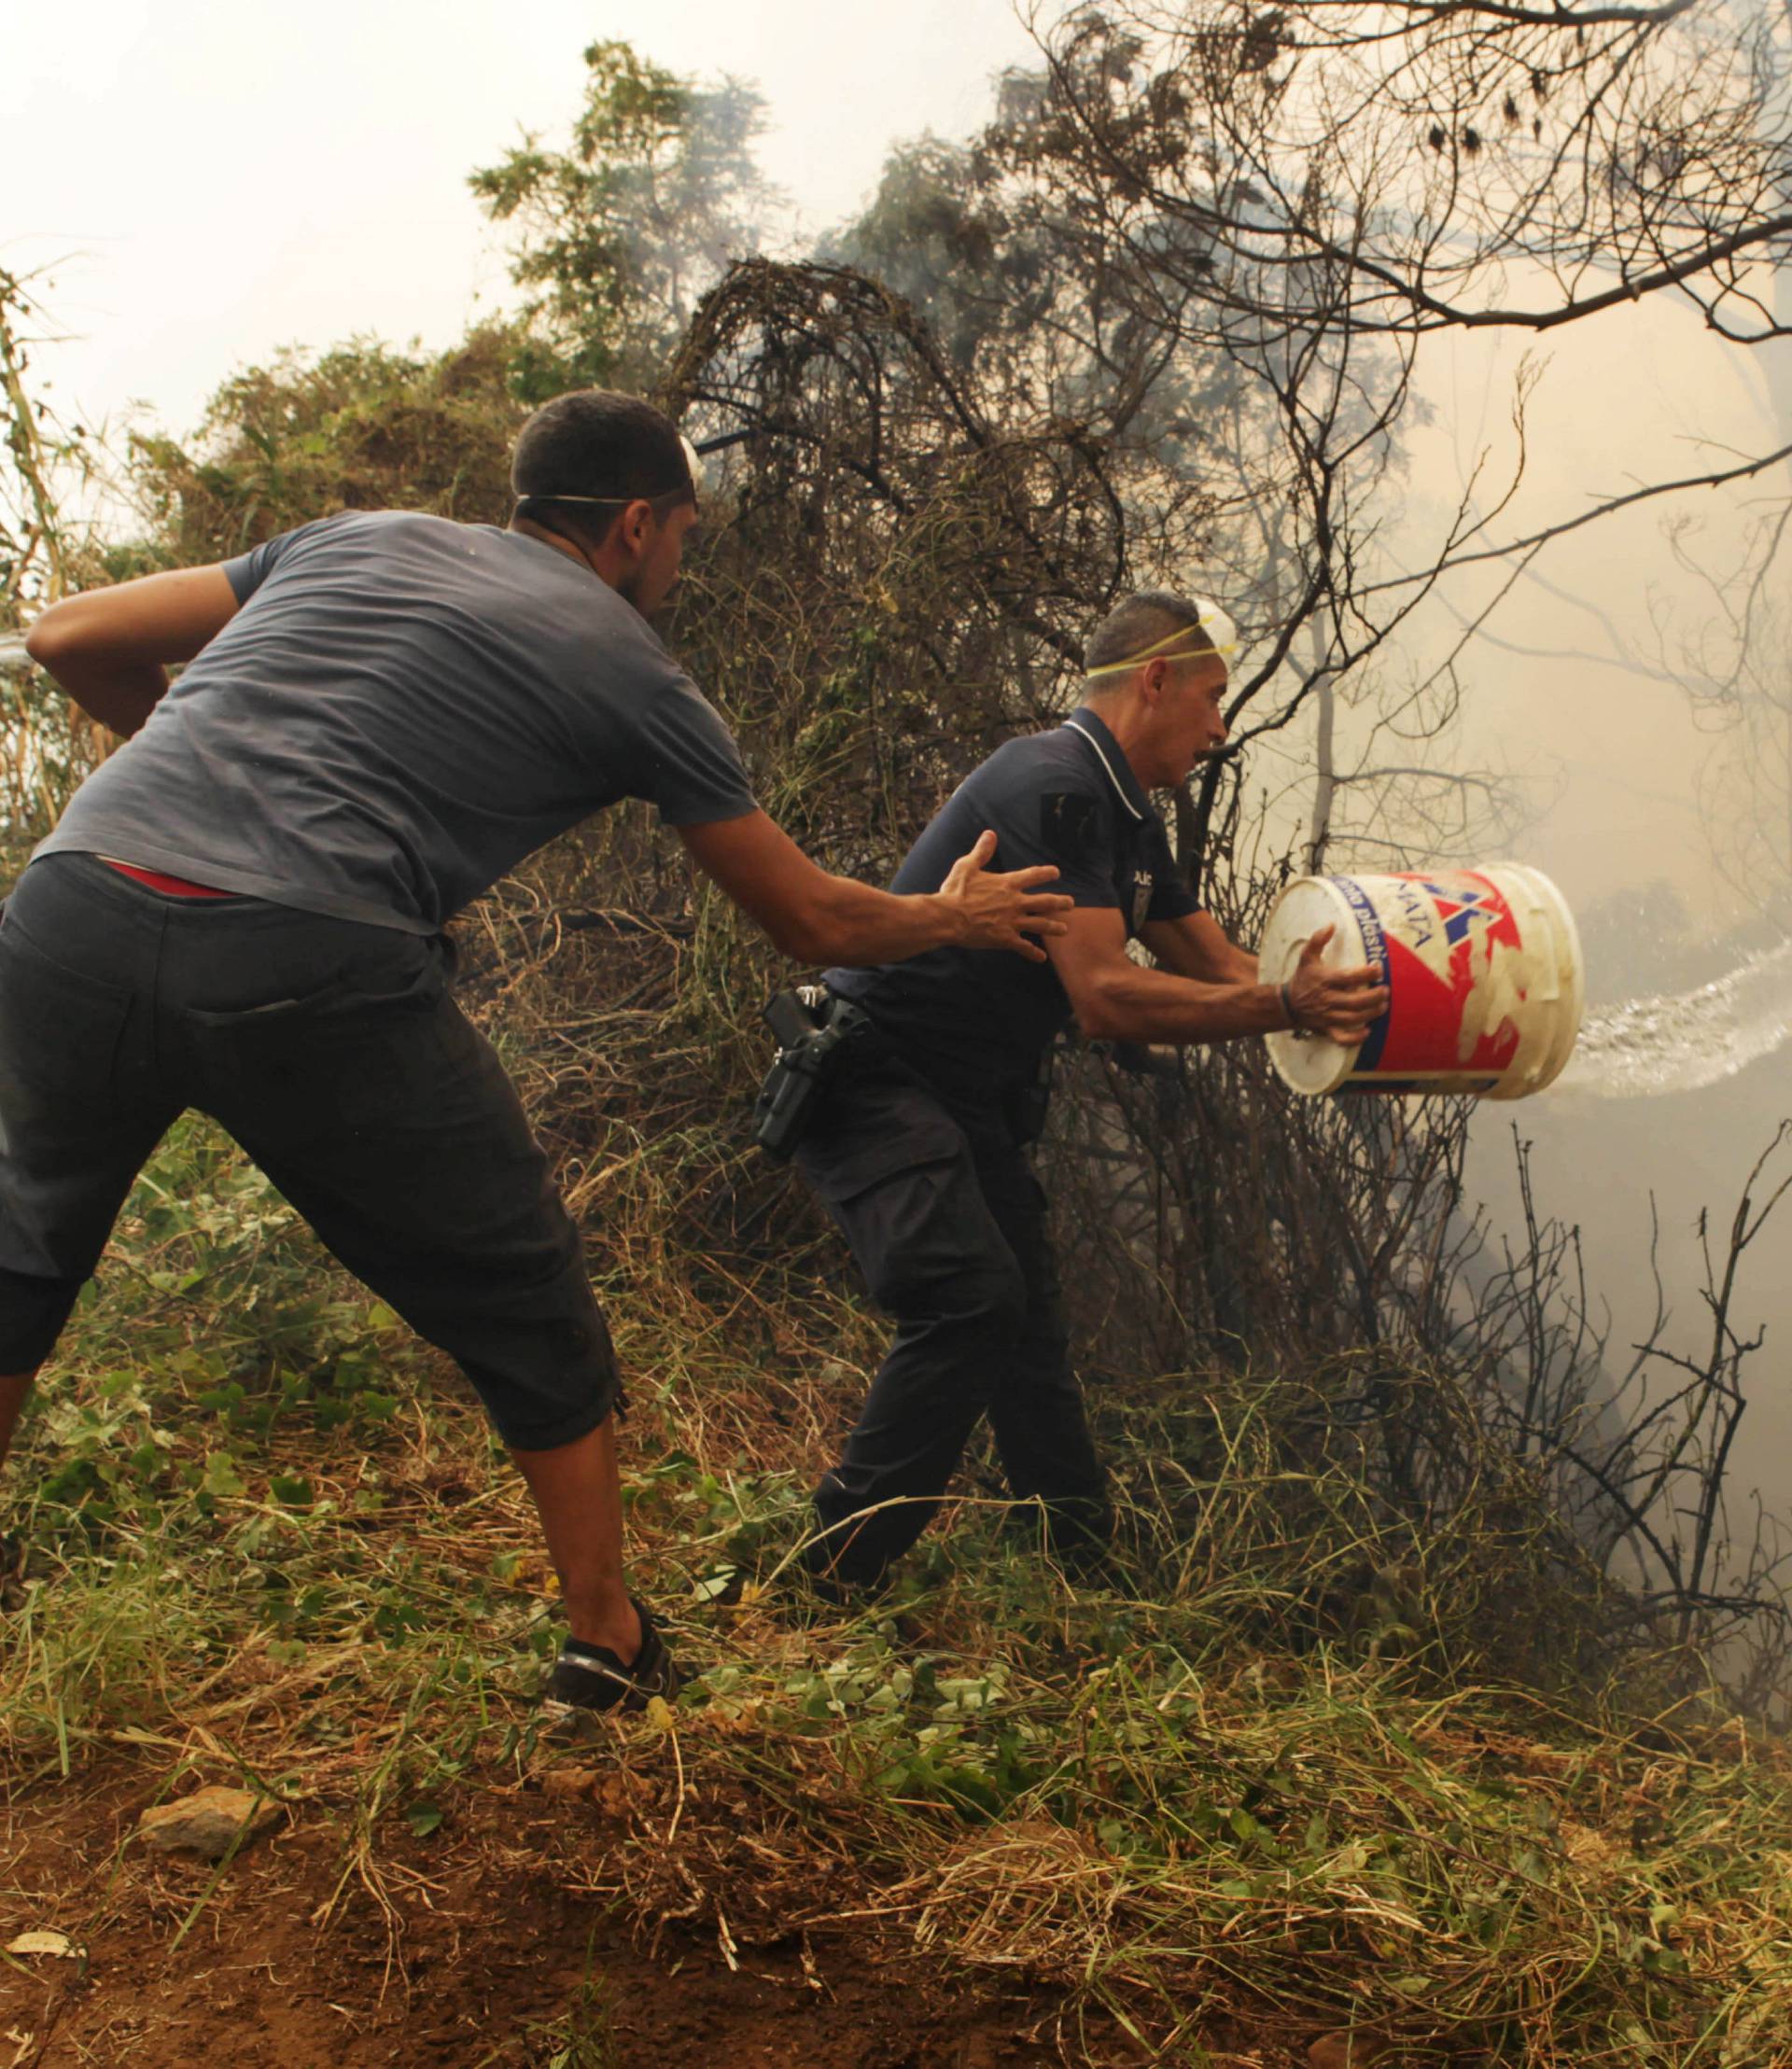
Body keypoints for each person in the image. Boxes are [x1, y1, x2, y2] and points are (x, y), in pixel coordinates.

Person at [8, 389, 1071, 1720]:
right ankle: (606, 1642)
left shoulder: (351, 539)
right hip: (310, 952)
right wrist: (953, 917)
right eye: (683, 534)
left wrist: (188, 790)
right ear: (633, 524)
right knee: (524, 1287)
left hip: (75, 900)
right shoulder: (630, 667)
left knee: (22, 1246)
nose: (680, 564)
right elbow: (808, 917)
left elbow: (65, 636)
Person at [794, 590, 1390, 1589]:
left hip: (963, 1103)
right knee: (971, 1303)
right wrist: (1287, 1007)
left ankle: (1084, 1578)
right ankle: (830, 1573)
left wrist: (1354, 1005)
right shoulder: (1055, 787)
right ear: (1153, 682)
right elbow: (1107, 997)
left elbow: (1220, 965)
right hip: (876, 1081)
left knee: (1025, 1328)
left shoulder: (1122, 814)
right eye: (1210, 697)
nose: (1219, 728)